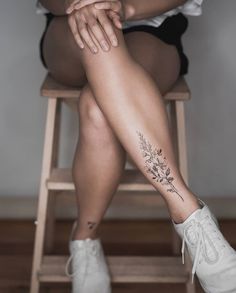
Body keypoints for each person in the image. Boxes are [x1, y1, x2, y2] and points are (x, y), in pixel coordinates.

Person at [37, 0, 236, 292]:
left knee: (100, 108)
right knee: (99, 31)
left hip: (151, 28)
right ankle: (189, 215)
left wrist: (126, 7)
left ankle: (84, 240)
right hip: (69, 28)